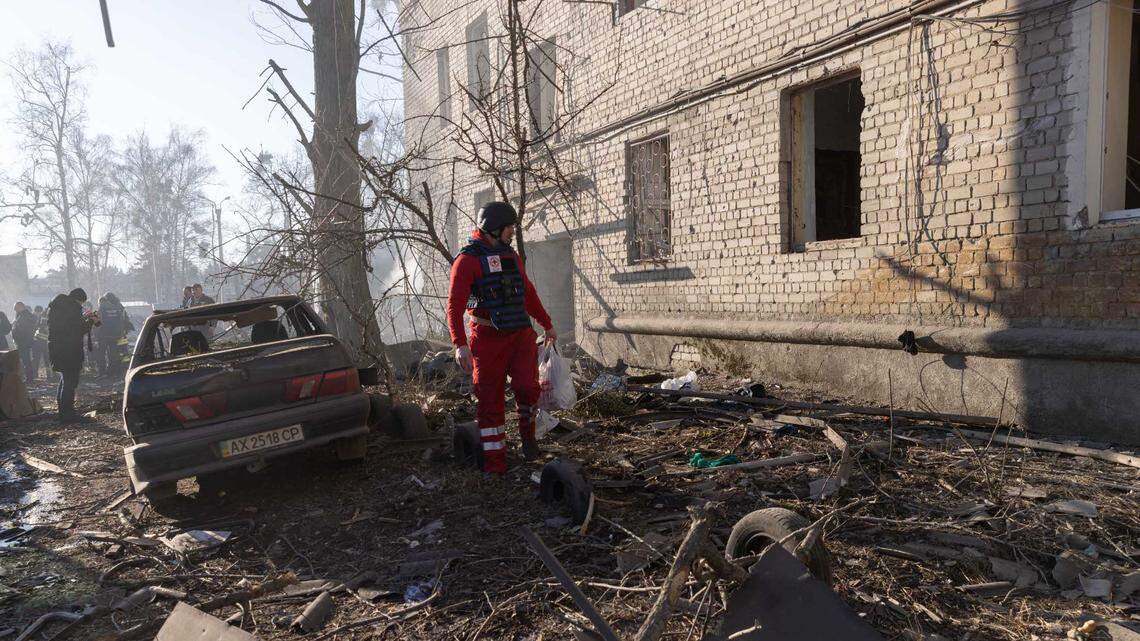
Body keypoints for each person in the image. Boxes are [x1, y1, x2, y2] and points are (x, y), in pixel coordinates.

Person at [446, 201, 556, 475]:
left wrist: (547, 324)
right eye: (509, 228)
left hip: (520, 335)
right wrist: (459, 344)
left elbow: (527, 293)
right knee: (490, 400)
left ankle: (528, 440)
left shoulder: (511, 256)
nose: (512, 232)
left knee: (527, 388)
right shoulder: (466, 261)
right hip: (487, 340)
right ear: (494, 228)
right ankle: (496, 464)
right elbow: (455, 306)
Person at [48, 288, 98, 421]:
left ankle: (63, 412)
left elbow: (68, 327)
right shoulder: (72, 308)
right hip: (69, 351)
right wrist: (91, 321)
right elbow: (77, 330)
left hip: (58, 350)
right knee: (70, 382)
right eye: (81, 303)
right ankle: (68, 415)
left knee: (65, 380)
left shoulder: (59, 307)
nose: (81, 306)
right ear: (78, 299)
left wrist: (84, 319)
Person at [96, 292, 130, 379]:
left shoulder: (102, 306)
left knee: (101, 354)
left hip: (104, 335)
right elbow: (125, 319)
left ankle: (102, 372)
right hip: (117, 335)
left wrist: (96, 331)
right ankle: (113, 371)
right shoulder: (119, 306)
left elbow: (99, 321)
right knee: (114, 354)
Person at [12, 302, 38, 383]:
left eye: (15, 308)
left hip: (23, 342)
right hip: (24, 342)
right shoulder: (25, 315)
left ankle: (29, 379)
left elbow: (22, 330)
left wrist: (18, 337)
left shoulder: (24, 316)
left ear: (20, 307)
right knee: (25, 361)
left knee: (25, 361)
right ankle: (28, 378)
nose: (15, 310)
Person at [32, 305, 48, 380]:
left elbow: (37, 327)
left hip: (37, 341)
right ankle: (49, 375)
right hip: (44, 342)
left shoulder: (36, 317)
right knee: (46, 359)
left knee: (36, 359)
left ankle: (34, 374)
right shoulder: (45, 316)